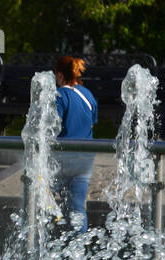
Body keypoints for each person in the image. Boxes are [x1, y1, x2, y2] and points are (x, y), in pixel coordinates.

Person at [53, 55, 98, 234]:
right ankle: (77, 256)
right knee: (77, 207)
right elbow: (92, 122)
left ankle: (53, 217)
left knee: (39, 194)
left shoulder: (60, 96)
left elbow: (52, 127)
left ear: (59, 75)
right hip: (85, 159)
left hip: (63, 158)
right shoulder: (88, 94)